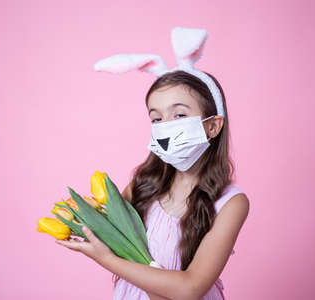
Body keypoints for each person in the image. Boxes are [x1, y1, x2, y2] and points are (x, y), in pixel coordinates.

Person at [56, 28, 250, 300]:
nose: (166, 127)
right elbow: (111, 231)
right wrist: (82, 218)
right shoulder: (144, 183)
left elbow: (190, 289)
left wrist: (106, 260)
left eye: (179, 114)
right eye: (157, 119)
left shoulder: (231, 203)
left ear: (213, 126)